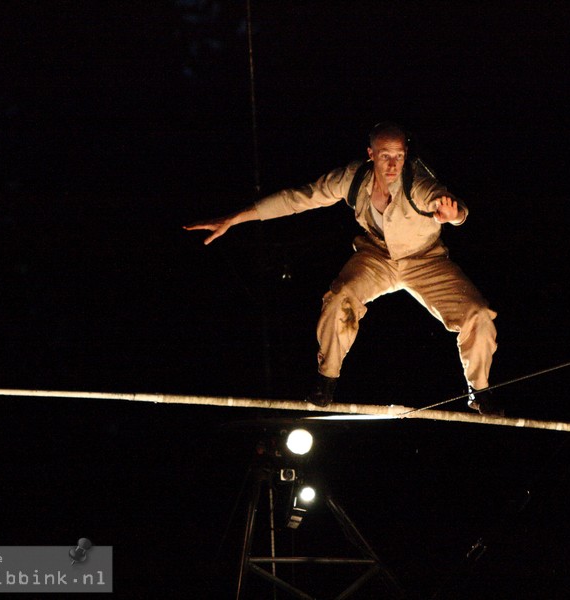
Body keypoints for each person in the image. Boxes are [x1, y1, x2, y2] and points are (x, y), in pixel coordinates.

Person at [185, 122, 501, 415]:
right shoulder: (352, 178)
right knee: (339, 298)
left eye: (400, 156)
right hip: (376, 255)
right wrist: (234, 219)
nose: (393, 165)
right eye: (386, 156)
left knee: (478, 315)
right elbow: (298, 198)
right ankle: (326, 380)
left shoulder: (417, 183)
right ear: (371, 155)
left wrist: (453, 214)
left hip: (425, 260)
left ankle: (479, 390)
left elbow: (455, 208)